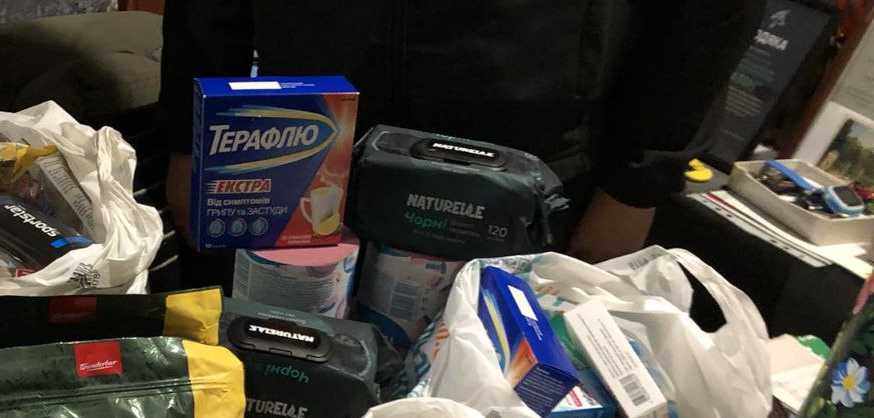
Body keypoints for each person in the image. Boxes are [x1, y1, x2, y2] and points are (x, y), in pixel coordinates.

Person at [161, 0, 765, 264]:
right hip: (304, 140)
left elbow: (707, 17)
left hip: (532, 168)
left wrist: (637, 184)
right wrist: (190, 139)